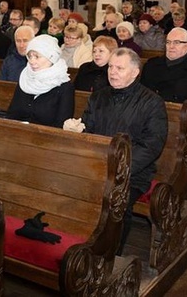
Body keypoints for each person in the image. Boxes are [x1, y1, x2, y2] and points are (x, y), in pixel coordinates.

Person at [68, 48, 168, 250]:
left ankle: (111, 254)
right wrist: (77, 130)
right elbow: (89, 129)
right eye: (110, 67)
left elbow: (151, 146)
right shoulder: (99, 96)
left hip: (132, 171)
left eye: (119, 68)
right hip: (97, 165)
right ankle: (79, 247)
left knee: (117, 203)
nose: (112, 72)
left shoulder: (152, 103)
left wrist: (119, 169)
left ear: (135, 72)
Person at [141, 27, 187, 119]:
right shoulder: (151, 66)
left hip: (180, 122)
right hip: (148, 118)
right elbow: (141, 95)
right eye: (168, 42)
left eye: (177, 42)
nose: (171, 46)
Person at [6, 34, 74, 128]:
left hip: (46, 139)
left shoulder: (64, 87)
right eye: (30, 56)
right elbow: (11, 115)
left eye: (37, 56)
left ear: (51, 57)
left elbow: (61, 125)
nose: (32, 61)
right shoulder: (25, 79)